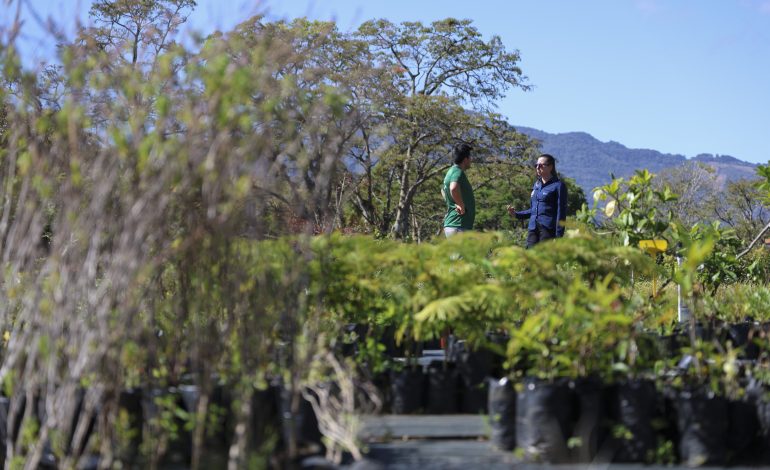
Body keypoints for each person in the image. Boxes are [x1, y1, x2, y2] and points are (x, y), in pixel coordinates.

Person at [507, 153, 568, 248]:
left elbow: (561, 212)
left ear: (550, 167)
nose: (537, 167)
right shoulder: (536, 185)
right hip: (533, 228)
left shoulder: (558, 186)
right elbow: (533, 210)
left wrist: (558, 236)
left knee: (543, 256)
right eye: (536, 165)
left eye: (541, 165)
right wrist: (516, 214)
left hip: (548, 229)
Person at [442, 143, 475, 237]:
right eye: (470, 157)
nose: (471, 159)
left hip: (455, 225)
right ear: (465, 159)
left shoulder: (451, 171)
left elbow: (443, 190)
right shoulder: (458, 172)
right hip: (459, 225)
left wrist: (453, 203)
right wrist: (460, 205)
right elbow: (453, 188)